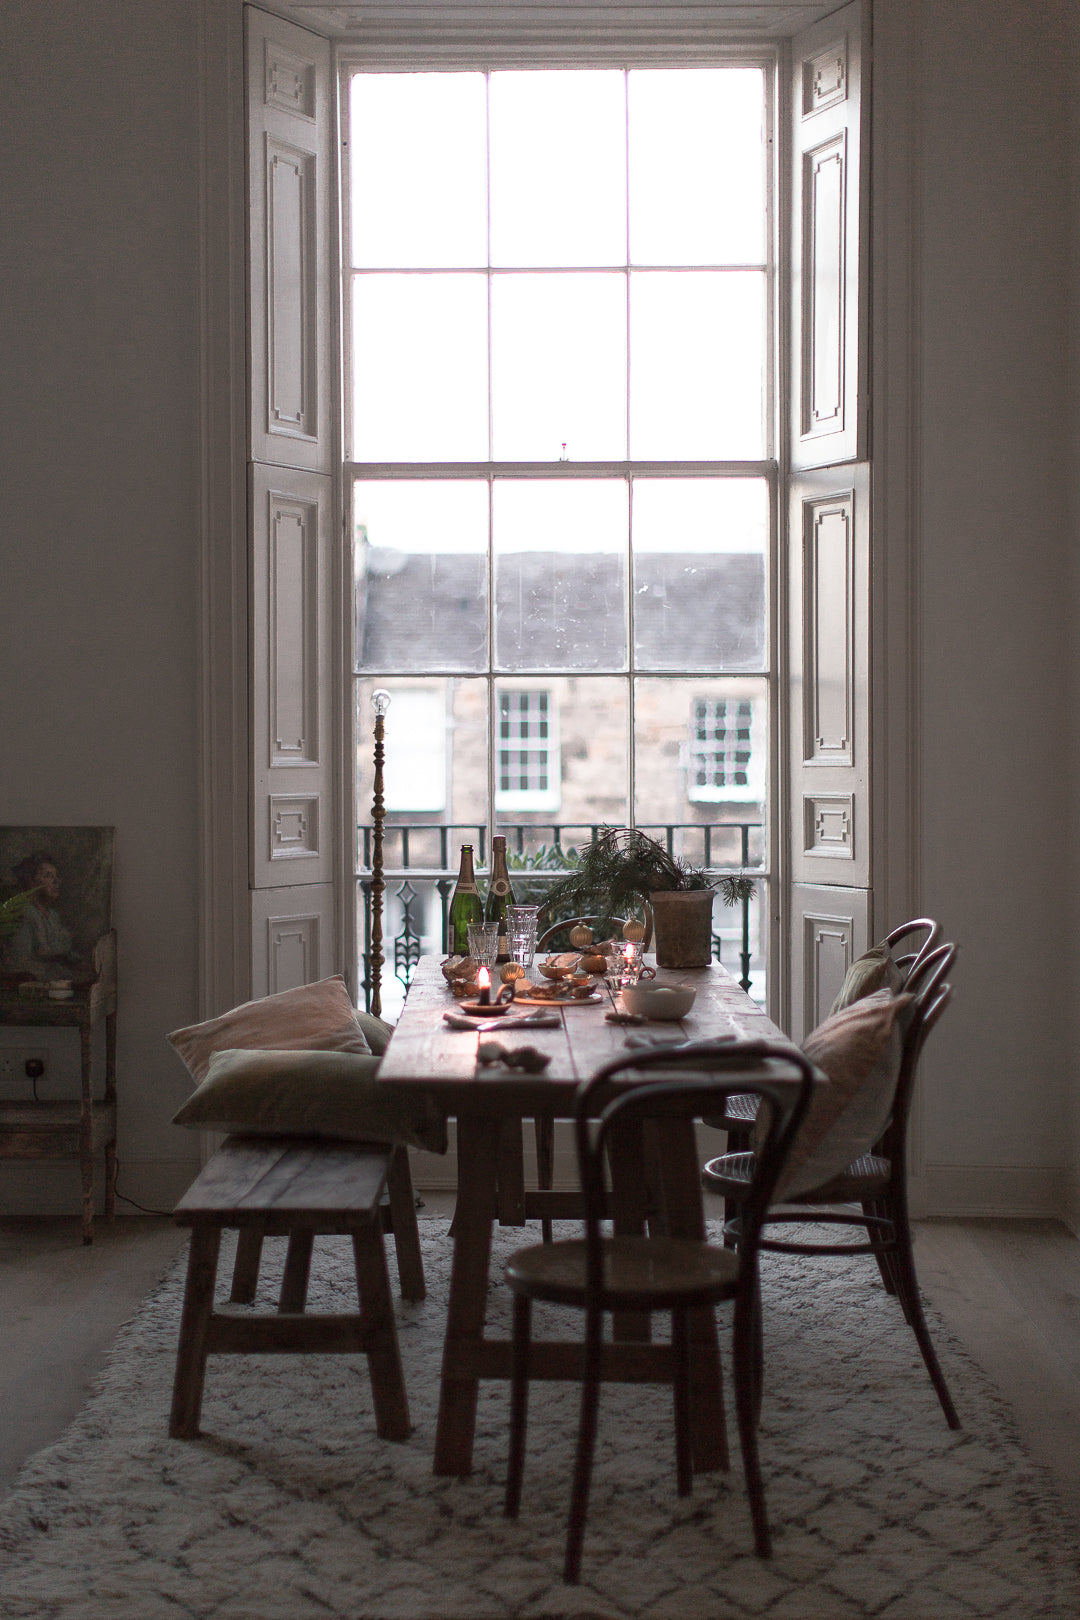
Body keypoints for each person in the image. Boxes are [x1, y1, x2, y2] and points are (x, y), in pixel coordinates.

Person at [1, 852, 79, 980]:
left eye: (56, 876)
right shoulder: (22, 913)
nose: (56, 881)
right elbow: (19, 964)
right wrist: (63, 973)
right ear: (31, 882)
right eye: (48, 876)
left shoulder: (53, 916)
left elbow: (62, 950)